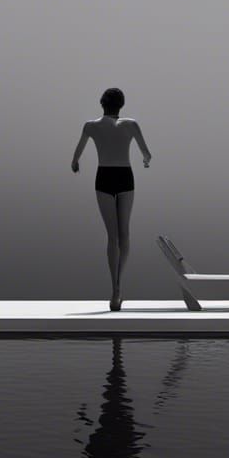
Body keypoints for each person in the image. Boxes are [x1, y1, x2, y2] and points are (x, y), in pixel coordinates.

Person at [70, 88, 152, 311]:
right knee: (124, 233)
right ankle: (118, 285)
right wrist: (145, 162)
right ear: (121, 105)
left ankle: (114, 288)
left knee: (112, 236)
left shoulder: (91, 126)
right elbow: (147, 153)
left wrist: (76, 164)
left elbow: (76, 157)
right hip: (125, 176)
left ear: (101, 103)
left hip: (104, 177)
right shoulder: (131, 124)